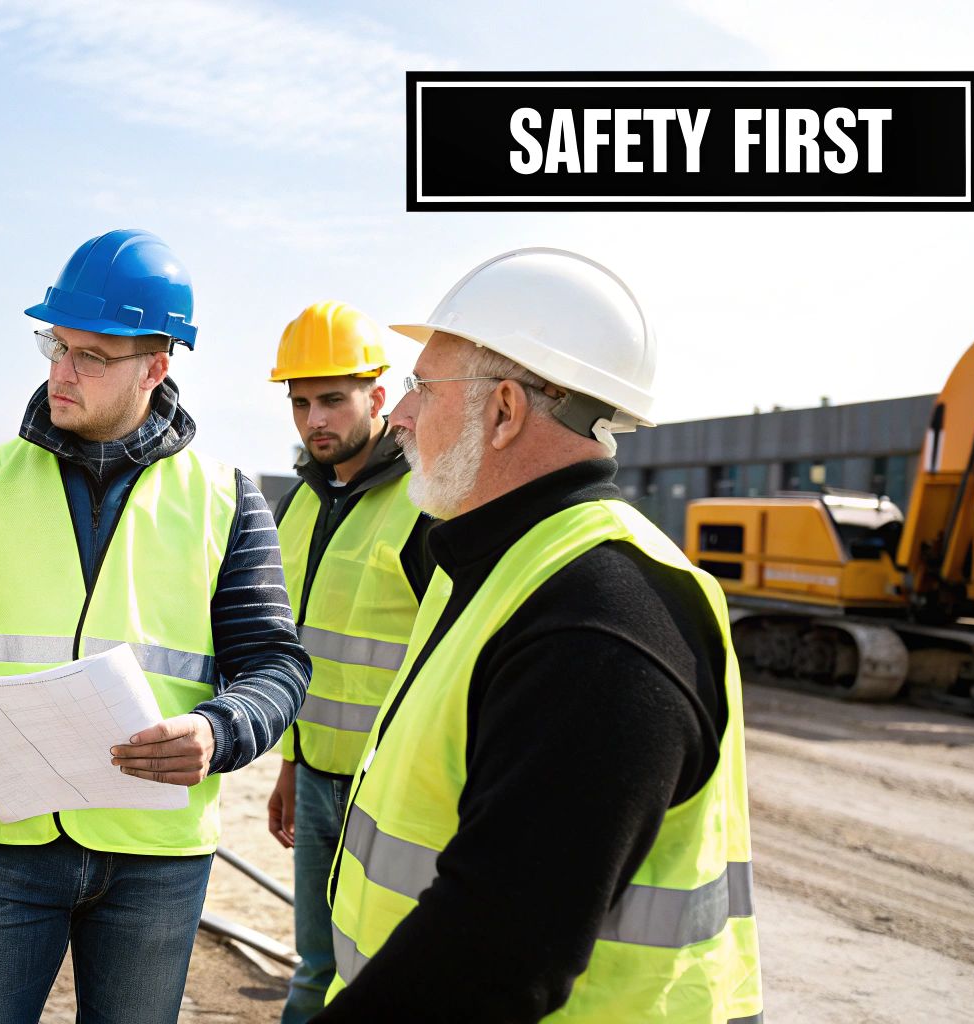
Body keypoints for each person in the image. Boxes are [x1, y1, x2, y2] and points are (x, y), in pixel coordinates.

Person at [0, 228, 311, 1024]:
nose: (60, 370)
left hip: (155, 862)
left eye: (91, 355)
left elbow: (276, 665)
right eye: (56, 344)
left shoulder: (227, 498)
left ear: (156, 365)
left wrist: (219, 730)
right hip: (6, 843)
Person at [315, 248, 762, 1023]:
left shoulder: (603, 617)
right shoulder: (495, 564)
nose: (399, 416)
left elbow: (497, 949)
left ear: (505, 411)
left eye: (423, 387)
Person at [262, 301, 434, 1024]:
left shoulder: (426, 503)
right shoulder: (300, 505)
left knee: (390, 979)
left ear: (379, 398)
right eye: (300, 403)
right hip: (320, 785)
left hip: (395, 798)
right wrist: (292, 765)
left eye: (333, 399)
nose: (314, 420)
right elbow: (303, 655)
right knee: (315, 969)